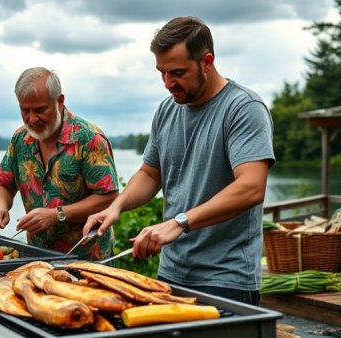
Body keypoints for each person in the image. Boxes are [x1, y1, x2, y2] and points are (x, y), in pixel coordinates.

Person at [83, 17, 275, 306]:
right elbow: (150, 174)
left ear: (207, 61)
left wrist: (180, 222)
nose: (168, 83)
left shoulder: (243, 108)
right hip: (170, 272)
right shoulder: (167, 109)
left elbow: (251, 187)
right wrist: (115, 207)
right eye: (162, 73)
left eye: (178, 73)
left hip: (226, 278)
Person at [0, 67, 119, 260]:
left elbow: (109, 198)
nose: (32, 119)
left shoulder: (89, 138)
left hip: (87, 259)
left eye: (40, 110)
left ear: (59, 101)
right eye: (25, 110)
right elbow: (3, 185)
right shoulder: (20, 139)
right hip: (37, 258)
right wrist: (0, 207)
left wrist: (56, 214)